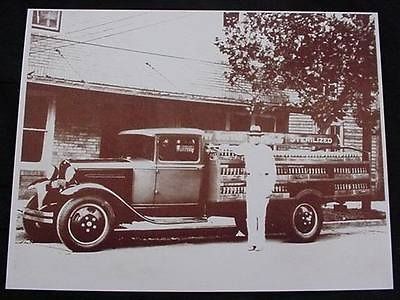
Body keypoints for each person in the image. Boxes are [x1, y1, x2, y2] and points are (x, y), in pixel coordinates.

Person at [234, 125, 276, 251]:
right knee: (250, 215)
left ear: (260, 137)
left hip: (263, 181)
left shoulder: (267, 150)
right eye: (252, 136)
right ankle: (251, 242)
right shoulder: (246, 148)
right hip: (252, 181)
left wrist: (270, 188)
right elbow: (235, 150)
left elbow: (272, 170)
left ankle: (260, 242)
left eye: (257, 136)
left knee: (260, 215)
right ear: (249, 137)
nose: (255, 138)